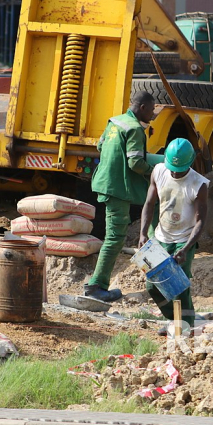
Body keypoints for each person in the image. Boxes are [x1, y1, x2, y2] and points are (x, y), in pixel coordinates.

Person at [85, 91, 156, 302]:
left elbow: (100, 146)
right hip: (117, 187)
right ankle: (96, 286)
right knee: (115, 237)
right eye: (152, 110)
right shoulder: (135, 129)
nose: (152, 115)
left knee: (114, 236)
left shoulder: (115, 122)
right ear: (142, 107)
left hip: (105, 182)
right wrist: (156, 170)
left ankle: (98, 284)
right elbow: (135, 163)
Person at [139, 138, 208, 331]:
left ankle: (185, 326)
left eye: (180, 169)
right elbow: (149, 204)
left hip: (184, 239)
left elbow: (201, 220)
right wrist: (143, 234)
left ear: (191, 163)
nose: (176, 172)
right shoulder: (159, 171)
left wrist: (186, 249)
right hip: (161, 237)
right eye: (173, 168)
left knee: (180, 286)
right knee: (153, 286)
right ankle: (173, 318)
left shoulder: (198, 184)